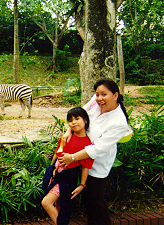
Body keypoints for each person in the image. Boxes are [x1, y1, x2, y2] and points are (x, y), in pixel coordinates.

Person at [58, 78, 132, 225]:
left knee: (96, 202)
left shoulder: (119, 122)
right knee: (88, 201)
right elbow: (79, 114)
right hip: (79, 159)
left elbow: (98, 148)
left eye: (104, 94)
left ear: (115, 95)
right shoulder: (96, 101)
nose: (99, 98)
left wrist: (72, 157)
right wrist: (68, 131)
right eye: (97, 94)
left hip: (97, 165)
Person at [42, 107, 94, 225]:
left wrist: (81, 184)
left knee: (46, 202)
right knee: (59, 207)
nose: (73, 122)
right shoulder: (66, 137)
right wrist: (50, 172)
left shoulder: (88, 144)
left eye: (77, 118)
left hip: (67, 179)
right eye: (70, 120)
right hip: (56, 175)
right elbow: (56, 155)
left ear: (85, 120)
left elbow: (85, 167)